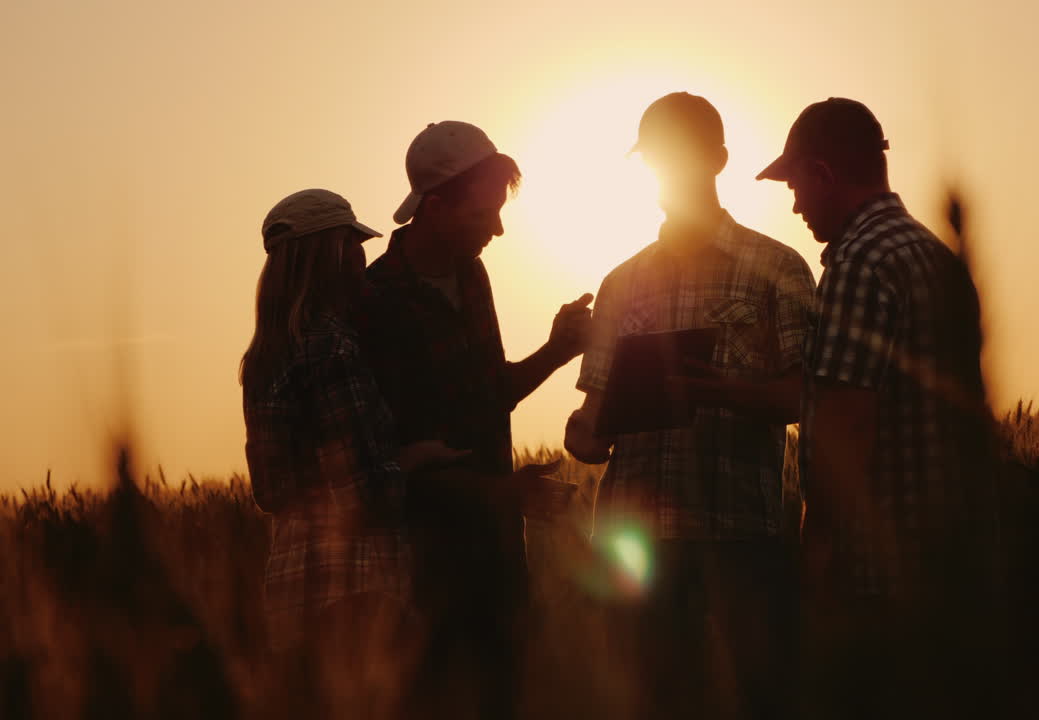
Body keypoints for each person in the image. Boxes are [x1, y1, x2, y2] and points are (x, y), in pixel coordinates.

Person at [564, 92, 816, 719]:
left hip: (739, 534)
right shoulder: (623, 282)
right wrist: (583, 436)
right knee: (649, 700)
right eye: (655, 159)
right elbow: (591, 428)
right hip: (637, 547)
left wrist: (711, 391)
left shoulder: (777, 268)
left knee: (760, 698)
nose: (665, 172)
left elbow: (804, 398)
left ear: (718, 160)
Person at [756, 98, 999, 718]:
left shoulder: (859, 263)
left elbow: (844, 420)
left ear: (824, 174)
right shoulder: (934, 256)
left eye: (796, 185)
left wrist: (820, 549)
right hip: (950, 556)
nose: (795, 205)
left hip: (875, 570)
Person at [361, 121, 586, 718]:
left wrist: (559, 348)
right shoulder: (377, 301)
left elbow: (491, 396)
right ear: (435, 207)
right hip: (424, 574)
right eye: (483, 214)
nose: (498, 227)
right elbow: (398, 457)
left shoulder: (472, 275)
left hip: (498, 560)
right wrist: (504, 493)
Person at [241, 189, 465, 710]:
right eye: (353, 245)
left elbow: (270, 491)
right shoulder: (333, 348)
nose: (363, 259)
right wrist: (416, 458)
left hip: (291, 585)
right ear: (334, 255)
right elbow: (366, 491)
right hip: (357, 588)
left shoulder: (264, 359)